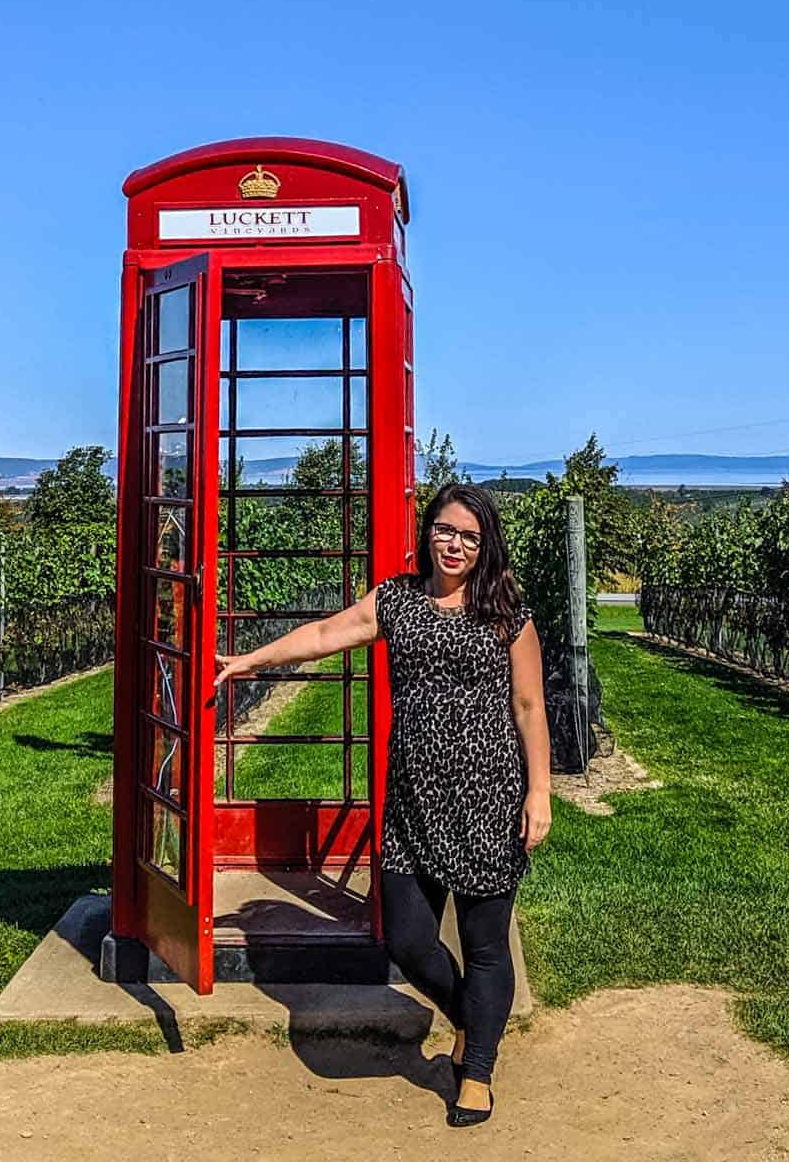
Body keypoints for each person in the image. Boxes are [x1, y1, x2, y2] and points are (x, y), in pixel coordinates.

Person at [214, 482, 551, 1128]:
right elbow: (323, 633)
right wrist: (251, 660)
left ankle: (475, 1070)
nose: (455, 545)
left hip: (489, 798)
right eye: (447, 531)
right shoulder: (396, 600)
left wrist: (539, 792)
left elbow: (530, 707)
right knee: (408, 940)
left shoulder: (507, 613)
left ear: (486, 546)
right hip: (412, 802)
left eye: (470, 537)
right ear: (428, 532)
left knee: (485, 946)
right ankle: (473, 1019)